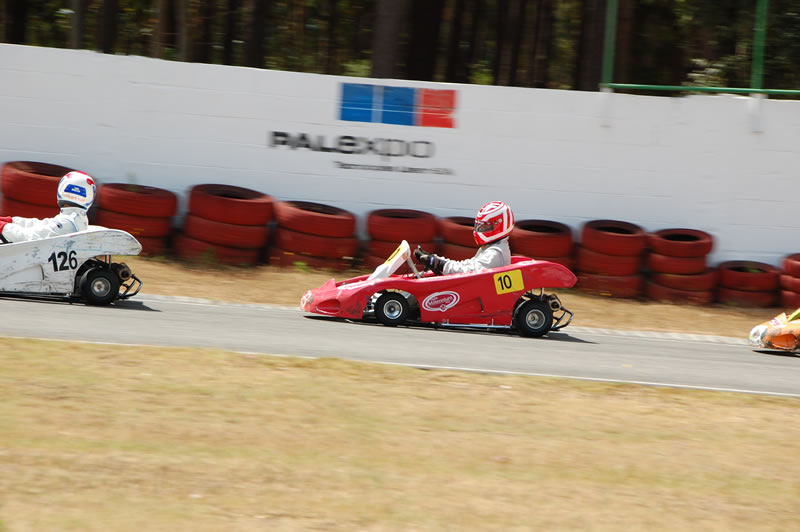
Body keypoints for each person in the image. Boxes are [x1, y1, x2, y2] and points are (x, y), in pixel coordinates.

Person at [415, 201, 514, 275]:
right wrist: (436, 259)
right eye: (479, 226)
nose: (479, 230)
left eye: (485, 227)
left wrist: (440, 264)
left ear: (499, 226)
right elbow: (468, 265)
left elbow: (468, 273)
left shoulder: (495, 253)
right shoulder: (493, 247)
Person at [0, 171, 96, 244]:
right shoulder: (73, 220)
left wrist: (3, 227)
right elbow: (39, 224)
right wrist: (11, 221)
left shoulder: (67, 223)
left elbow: (29, 238)